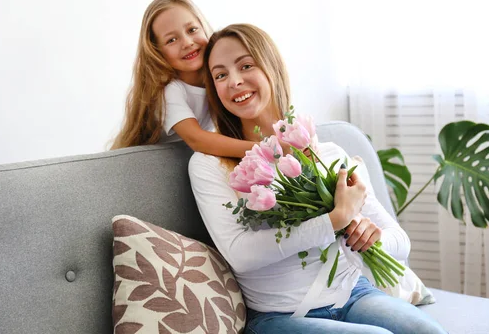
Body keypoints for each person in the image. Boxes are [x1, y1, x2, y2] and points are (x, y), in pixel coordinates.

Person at [189, 23, 447, 333]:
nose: (234, 81)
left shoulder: (328, 153)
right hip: (280, 316)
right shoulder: (209, 163)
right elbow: (240, 255)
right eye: (220, 75)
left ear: (271, 67)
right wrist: (334, 221)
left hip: (354, 295)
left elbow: (399, 240)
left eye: (246, 65)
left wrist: (372, 237)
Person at [111, 0, 258, 157]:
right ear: (157, 52)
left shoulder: (220, 80)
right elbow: (197, 140)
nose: (188, 43)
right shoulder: (170, 92)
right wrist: (267, 150)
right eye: (171, 40)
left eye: (192, 29)